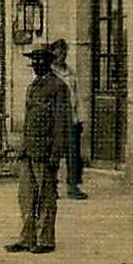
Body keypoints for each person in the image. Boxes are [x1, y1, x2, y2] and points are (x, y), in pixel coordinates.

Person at [10, 45, 72, 254]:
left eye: (39, 63)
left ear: (47, 64)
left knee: (46, 195)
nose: (35, 66)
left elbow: (61, 123)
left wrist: (56, 154)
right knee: (26, 196)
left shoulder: (58, 87)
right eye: (33, 63)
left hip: (45, 151)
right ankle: (27, 238)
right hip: (29, 150)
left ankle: (45, 239)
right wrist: (23, 147)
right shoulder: (33, 86)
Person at [51, 39, 87, 199]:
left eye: (64, 54)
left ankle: (73, 186)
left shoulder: (71, 73)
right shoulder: (50, 74)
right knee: (55, 154)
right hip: (56, 120)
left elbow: (77, 96)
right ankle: (52, 187)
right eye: (58, 54)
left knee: (73, 154)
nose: (61, 57)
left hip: (71, 117)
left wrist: (80, 117)